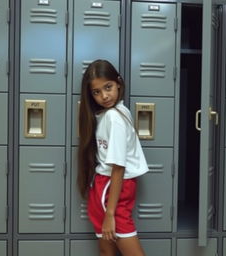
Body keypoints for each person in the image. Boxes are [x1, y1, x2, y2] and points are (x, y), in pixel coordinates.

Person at [77, 59, 149, 256]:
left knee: (106, 252)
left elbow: (119, 167)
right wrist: (110, 213)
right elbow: (117, 168)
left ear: (118, 82)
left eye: (108, 87)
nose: (104, 96)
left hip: (111, 190)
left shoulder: (116, 115)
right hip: (109, 190)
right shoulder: (112, 114)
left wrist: (109, 214)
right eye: (96, 92)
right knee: (106, 251)